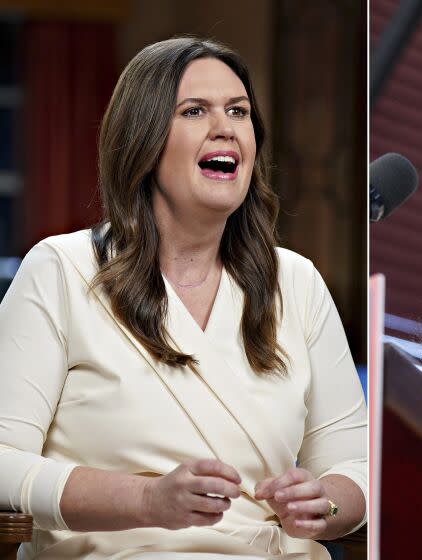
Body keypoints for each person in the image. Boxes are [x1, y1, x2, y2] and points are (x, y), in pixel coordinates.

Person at [0, 37, 366, 559]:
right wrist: (146, 500)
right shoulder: (61, 269)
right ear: (142, 142)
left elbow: (356, 468)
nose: (226, 127)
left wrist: (324, 503)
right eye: (195, 111)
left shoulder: (297, 283)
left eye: (238, 111)